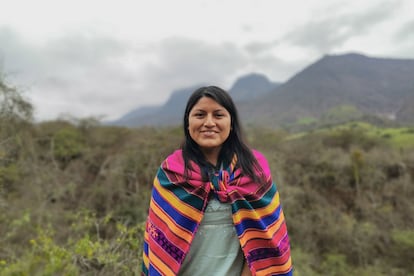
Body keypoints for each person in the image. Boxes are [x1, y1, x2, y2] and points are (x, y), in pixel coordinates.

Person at [142, 86, 293, 275]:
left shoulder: (254, 170)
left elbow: (266, 241)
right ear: (188, 123)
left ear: (231, 123)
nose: (209, 122)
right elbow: (160, 243)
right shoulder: (171, 172)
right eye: (200, 115)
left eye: (218, 115)